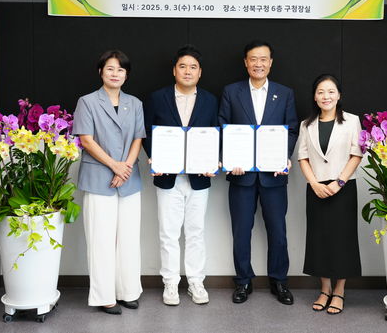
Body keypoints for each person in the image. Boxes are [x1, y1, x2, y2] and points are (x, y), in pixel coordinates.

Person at [218, 40, 298, 305]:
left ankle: (279, 281)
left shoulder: (284, 93)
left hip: (273, 176)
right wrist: (229, 158)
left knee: (278, 231)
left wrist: (283, 157)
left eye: (263, 59)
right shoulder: (232, 92)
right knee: (241, 232)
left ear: (271, 63)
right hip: (241, 176)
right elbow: (223, 127)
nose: (258, 64)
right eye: (253, 59)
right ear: (246, 62)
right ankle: (243, 281)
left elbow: (291, 129)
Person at [143, 45, 218, 306]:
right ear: (174, 70)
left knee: (196, 232)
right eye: (183, 66)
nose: (188, 71)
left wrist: (213, 161)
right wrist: (153, 157)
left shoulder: (210, 100)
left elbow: (215, 133)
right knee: (168, 232)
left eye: (193, 67)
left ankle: (196, 281)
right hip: (167, 176)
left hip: (199, 177)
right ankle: (171, 283)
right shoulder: (158, 97)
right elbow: (147, 132)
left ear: (200, 72)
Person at [73, 50, 146, 315]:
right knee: (100, 240)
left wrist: (124, 168)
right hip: (98, 178)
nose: (115, 74)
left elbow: (138, 138)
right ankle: (104, 296)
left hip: (128, 179)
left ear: (126, 74)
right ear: (100, 72)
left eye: (120, 70)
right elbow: (86, 140)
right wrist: (114, 166)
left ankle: (128, 291)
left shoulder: (135, 103)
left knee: (129, 239)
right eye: (110, 69)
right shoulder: (87, 102)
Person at [297, 74, 363, 315]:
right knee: (320, 239)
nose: (326, 96)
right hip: (316, 189)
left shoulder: (352, 121)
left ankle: (339, 291)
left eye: (331, 91)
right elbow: (303, 157)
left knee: (342, 239)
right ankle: (324, 289)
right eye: (321, 92)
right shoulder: (306, 125)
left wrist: (339, 182)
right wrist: (314, 183)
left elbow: (357, 154)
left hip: (343, 188)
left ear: (339, 95)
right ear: (315, 97)